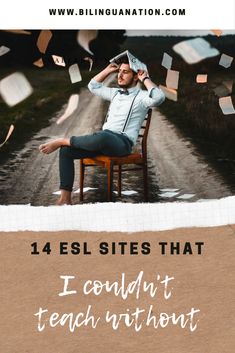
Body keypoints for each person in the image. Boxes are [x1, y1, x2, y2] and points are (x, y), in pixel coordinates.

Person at [39, 53, 165, 205]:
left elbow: (159, 98)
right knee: (66, 151)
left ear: (136, 76)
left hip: (121, 144)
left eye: (125, 72)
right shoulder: (115, 93)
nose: (120, 75)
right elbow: (93, 86)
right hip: (103, 141)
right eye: (119, 71)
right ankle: (65, 199)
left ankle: (62, 141)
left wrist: (145, 78)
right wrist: (107, 70)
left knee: (102, 137)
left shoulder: (142, 97)